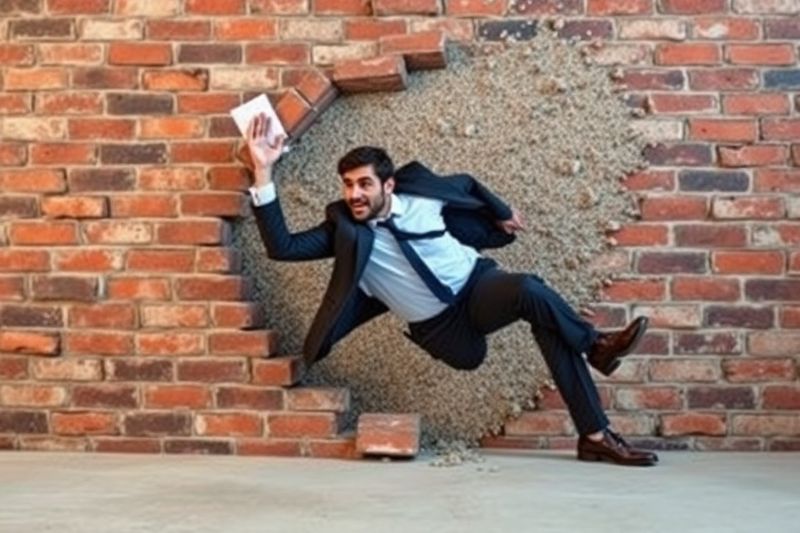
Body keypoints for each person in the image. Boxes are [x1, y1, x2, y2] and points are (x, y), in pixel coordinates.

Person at [246, 113, 657, 467]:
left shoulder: (422, 194)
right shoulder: (344, 230)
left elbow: (467, 185)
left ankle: (596, 408)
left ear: (388, 186)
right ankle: (595, 383)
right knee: (546, 324)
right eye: (348, 185)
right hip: (442, 329)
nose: (355, 194)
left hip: (477, 285)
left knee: (530, 291)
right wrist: (263, 171)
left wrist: (501, 212)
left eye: (365, 184)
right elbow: (283, 247)